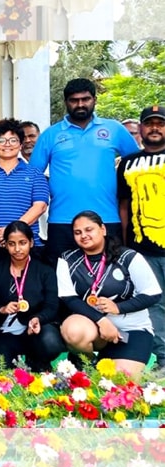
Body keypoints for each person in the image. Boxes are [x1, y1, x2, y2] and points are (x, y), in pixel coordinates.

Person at [30, 78, 139, 265]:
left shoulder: (114, 129)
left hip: (106, 218)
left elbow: (137, 166)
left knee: (110, 277)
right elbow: (32, 176)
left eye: (85, 99)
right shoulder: (50, 134)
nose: (80, 104)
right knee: (60, 278)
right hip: (62, 220)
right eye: (74, 100)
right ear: (66, 102)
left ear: (94, 99)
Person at [58, 211, 161, 378]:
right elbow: (69, 298)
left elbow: (153, 294)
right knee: (73, 329)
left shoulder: (129, 257)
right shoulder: (67, 259)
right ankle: (87, 362)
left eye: (89, 229)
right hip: (94, 329)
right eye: (78, 232)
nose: (84, 235)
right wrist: (101, 320)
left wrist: (118, 308)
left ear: (103, 229)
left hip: (130, 331)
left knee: (118, 386)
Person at [117, 105, 165, 371]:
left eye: (160, 123)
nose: (155, 128)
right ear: (142, 129)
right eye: (150, 124)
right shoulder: (128, 162)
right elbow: (123, 204)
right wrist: (126, 244)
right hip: (142, 247)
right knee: (154, 304)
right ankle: (163, 360)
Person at [0, 221, 64, 373]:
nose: (17, 249)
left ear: (31, 243)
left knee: (51, 342)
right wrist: (2, 309)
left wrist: (38, 318)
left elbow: (52, 306)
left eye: (22, 243)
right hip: (6, 333)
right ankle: (14, 361)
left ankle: (38, 360)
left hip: (35, 330)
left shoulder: (45, 271)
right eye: (12, 244)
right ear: (5, 245)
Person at [0, 119, 49, 271]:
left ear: (20, 145)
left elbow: (40, 206)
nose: (7, 144)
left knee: (27, 293)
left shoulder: (35, 174)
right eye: (2, 140)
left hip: (26, 246)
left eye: (13, 140)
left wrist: (11, 232)